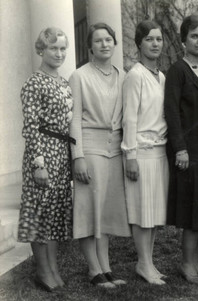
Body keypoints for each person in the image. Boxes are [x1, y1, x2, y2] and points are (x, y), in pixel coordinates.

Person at [69, 23, 131, 289]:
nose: (104, 44)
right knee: (88, 210)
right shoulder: (79, 76)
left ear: (114, 43)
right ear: (90, 47)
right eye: (98, 41)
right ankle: (93, 269)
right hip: (90, 148)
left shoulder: (123, 75)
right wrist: (77, 156)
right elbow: (73, 120)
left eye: (109, 40)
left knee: (105, 211)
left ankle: (106, 267)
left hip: (115, 150)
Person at [18, 27, 74, 292]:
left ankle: (53, 268)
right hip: (42, 152)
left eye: (63, 48)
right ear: (42, 49)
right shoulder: (34, 82)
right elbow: (30, 127)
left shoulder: (63, 82)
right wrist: (38, 164)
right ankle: (42, 271)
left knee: (54, 214)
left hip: (61, 153)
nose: (59, 53)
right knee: (39, 214)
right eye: (54, 48)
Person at [165, 14, 198, 285]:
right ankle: (186, 263)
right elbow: (172, 113)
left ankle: (195, 260)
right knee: (190, 212)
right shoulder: (178, 70)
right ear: (184, 39)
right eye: (194, 36)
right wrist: (180, 149)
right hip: (188, 152)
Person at [122, 20, 168, 285]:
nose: (155, 44)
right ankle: (143, 263)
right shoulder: (135, 75)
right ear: (139, 43)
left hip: (159, 151)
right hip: (141, 153)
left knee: (153, 212)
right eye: (149, 39)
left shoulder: (160, 76)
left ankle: (148, 262)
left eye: (159, 39)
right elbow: (129, 119)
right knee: (142, 212)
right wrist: (131, 155)